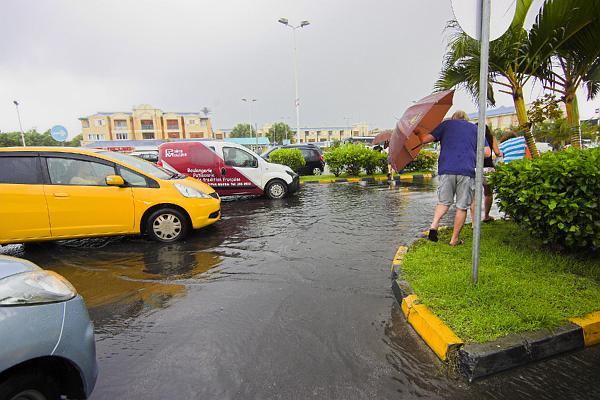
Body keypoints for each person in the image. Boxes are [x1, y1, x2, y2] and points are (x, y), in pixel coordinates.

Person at [417, 110, 491, 246]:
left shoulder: (445, 125)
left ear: (453, 118)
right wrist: (471, 151)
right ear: (466, 119)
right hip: (466, 171)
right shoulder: (476, 129)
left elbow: (424, 140)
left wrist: (417, 132)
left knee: (443, 202)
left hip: (446, 170)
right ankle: (454, 240)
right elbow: (487, 153)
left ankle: (434, 226)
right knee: (462, 207)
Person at [474, 124, 503, 222]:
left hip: (474, 168)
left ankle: (474, 219)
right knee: (488, 193)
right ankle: (486, 216)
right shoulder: (491, 137)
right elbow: (497, 152)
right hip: (488, 168)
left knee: (473, 194)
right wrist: (501, 154)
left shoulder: (472, 136)